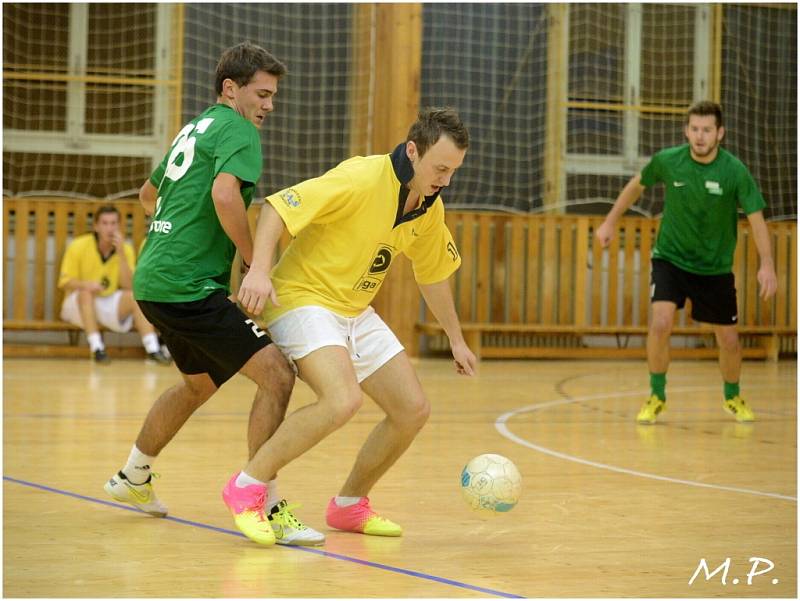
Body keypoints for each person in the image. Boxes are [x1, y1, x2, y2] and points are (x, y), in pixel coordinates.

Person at [103, 42, 324, 547]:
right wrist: (252, 260)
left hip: (155, 280)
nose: (269, 106)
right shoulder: (239, 130)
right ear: (231, 89)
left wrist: (171, 236)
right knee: (277, 376)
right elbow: (226, 195)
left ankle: (133, 476)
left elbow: (147, 195)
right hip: (187, 286)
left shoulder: (195, 127)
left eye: (273, 97)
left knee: (198, 386)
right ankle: (261, 502)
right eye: (262, 94)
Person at [232, 107, 477, 543]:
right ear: (412, 152)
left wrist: (456, 340)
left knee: (412, 410)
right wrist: (259, 271)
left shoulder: (429, 207)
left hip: (353, 309)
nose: (446, 180)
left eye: (453, 171)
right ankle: (247, 486)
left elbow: (434, 274)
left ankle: (349, 504)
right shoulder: (362, 178)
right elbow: (277, 207)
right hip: (302, 297)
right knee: (341, 400)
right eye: (440, 168)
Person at [595, 100, 778, 424]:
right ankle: (656, 395)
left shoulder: (734, 171)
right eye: (694, 129)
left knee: (730, 340)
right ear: (686, 131)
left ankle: (732, 396)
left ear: (720, 133)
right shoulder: (669, 161)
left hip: (715, 267)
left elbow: (756, 218)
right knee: (661, 322)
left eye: (707, 129)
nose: (700, 135)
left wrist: (767, 265)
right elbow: (637, 184)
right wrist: (610, 222)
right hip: (670, 259)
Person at [58, 205, 171, 365]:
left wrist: (121, 255)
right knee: (85, 293)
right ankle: (97, 348)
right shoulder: (78, 246)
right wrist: (86, 284)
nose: (109, 228)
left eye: (113, 223)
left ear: (119, 226)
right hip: (76, 304)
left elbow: (129, 286)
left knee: (134, 297)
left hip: (104, 302)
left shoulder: (125, 248)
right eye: (105, 223)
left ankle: (153, 349)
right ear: (96, 226)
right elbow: (64, 282)